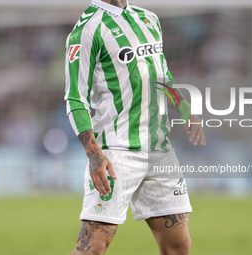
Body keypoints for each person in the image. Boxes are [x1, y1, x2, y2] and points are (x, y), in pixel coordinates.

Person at [64, 1, 206, 254]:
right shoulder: (88, 30)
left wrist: (185, 109)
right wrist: (94, 155)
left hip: (159, 149)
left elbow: (161, 75)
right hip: (116, 152)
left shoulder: (148, 18)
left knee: (179, 246)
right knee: (92, 247)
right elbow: (75, 98)